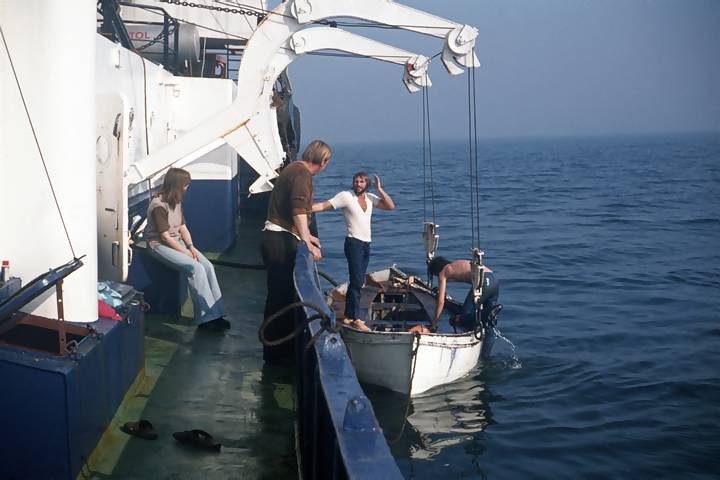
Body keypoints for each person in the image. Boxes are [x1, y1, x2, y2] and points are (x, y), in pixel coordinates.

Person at [260, 139, 332, 364]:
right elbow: (299, 209)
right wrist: (306, 241)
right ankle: (277, 354)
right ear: (323, 161)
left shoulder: (292, 168)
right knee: (281, 300)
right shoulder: (302, 175)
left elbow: (289, 213)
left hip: (274, 236)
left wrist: (307, 236)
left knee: (277, 297)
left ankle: (275, 350)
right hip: (279, 242)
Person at [144, 167, 229, 331]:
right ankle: (205, 319)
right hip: (159, 245)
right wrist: (187, 254)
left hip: (177, 243)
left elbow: (183, 228)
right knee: (195, 268)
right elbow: (165, 236)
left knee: (207, 266)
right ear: (177, 185)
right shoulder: (158, 205)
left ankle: (217, 313)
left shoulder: (176, 201)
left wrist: (191, 247)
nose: (187, 188)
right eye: (185, 184)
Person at [313, 173, 395, 329]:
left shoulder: (370, 198)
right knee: (357, 281)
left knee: (357, 281)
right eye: (356, 181)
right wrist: (305, 210)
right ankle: (355, 318)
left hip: (366, 244)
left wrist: (380, 189)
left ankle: (349, 317)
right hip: (353, 243)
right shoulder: (346, 196)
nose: (358, 184)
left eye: (361, 181)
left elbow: (390, 206)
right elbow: (325, 205)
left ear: (367, 184)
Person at [426, 256, 500, 332]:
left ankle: (487, 313)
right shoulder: (455, 264)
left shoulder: (443, 272)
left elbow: (441, 302)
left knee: (464, 316)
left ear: (436, 270)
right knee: (490, 322)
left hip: (483, 281)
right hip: (494, 279)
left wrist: (434, 323)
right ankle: (489, 313)